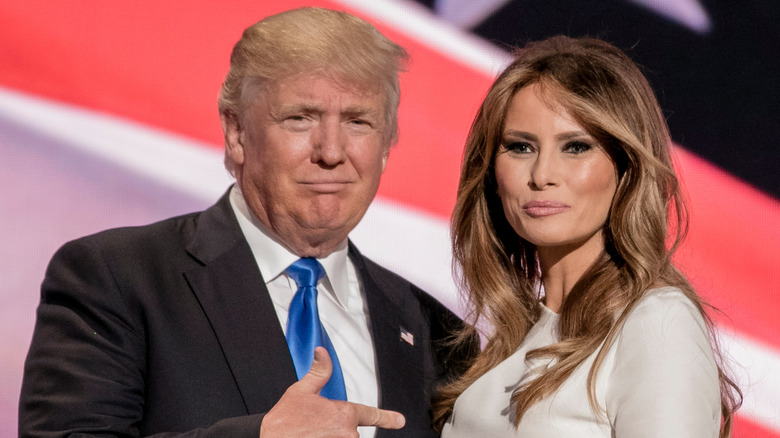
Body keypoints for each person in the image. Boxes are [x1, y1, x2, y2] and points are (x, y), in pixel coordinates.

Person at [19, 7, 473, 438]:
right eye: (300, 118)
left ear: (388, 145)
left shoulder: (438, 335)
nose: (332, 152)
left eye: (358, 122)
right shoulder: (116, 278)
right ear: (237, 133)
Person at [433, 36, 741, 437]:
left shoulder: (655, 320)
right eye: (521, 147)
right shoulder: (511, 338)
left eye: (576, 147)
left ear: (626, 167)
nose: (542, 175)